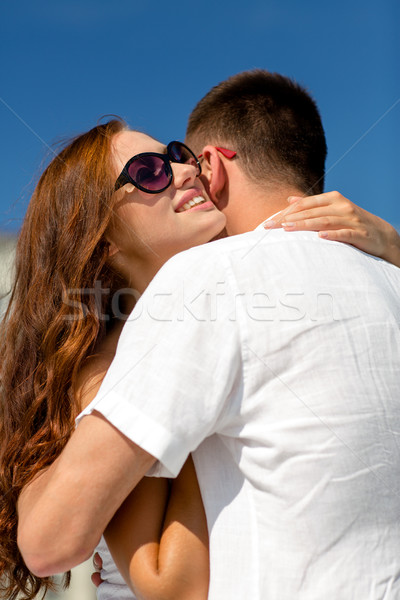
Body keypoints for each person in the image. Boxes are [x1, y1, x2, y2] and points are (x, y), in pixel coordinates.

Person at [8, 70, 400, 599]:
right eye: (147, 171)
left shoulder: (196, 306)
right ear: (100, 240)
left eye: (176, 154)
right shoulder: (112, 363)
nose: (180, 171)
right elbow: (168, 583)